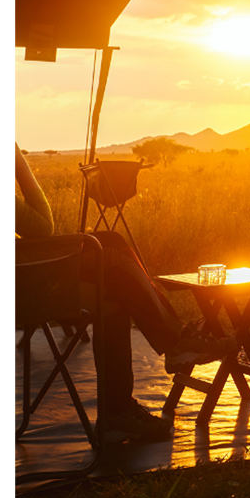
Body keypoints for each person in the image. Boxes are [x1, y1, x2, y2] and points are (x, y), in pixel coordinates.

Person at [15, 142, 232, 443]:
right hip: (24, 291)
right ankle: (173, 346)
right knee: (113, 265)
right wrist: (19, 162)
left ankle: (125, 403)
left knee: (111, 252)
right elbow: (42, 228)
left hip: (25, 277)